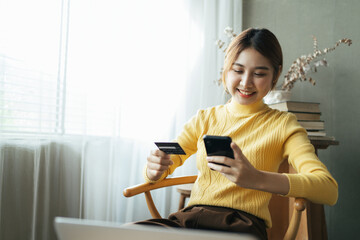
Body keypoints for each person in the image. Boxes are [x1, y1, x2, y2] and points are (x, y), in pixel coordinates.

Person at [138, 28, 338, 240]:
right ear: (226, 69)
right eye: (238, 70)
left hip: (241, 226)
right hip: (189, 221)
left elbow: (327, 188)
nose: (246, 82)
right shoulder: (205, 118)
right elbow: (166, 161)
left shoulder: (283, 124)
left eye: (259, 74)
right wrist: (153, 170)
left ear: (276, 74)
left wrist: (256, 179)